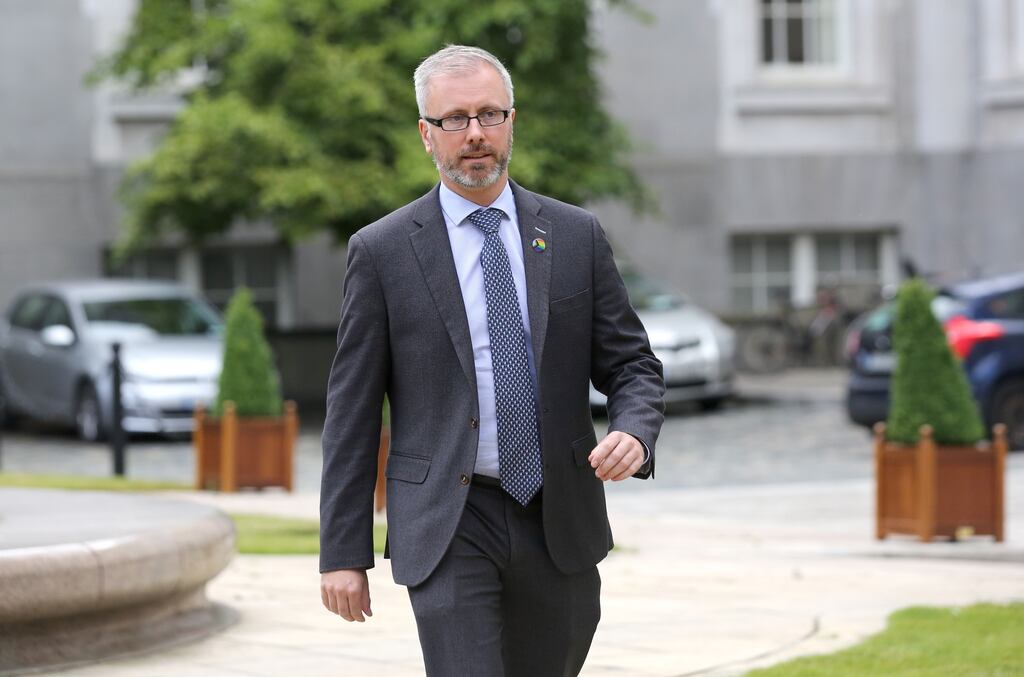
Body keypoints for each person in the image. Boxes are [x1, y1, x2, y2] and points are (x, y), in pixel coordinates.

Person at [319, 44, 665, 677]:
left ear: (512, 121)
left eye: (489, 114)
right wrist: (343, 553)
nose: (474, 134)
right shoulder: (383, 252)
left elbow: (631, 364)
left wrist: (634, 432)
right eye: (454, 119)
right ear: (427, 134)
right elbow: (352, 412)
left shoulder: (574, 235)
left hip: (557, 517)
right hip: (449, 520)